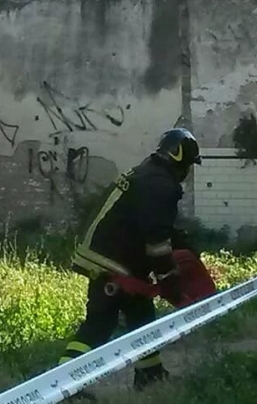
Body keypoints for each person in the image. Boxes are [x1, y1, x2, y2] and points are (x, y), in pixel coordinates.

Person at [58, 128, 203, 393]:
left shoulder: (149, 174)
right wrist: (169, 278)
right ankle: (64, 387)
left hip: (112, 255)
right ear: (180, 159)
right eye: (189, 165)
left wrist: (186, 247)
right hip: (112, 260)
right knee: (100, 323)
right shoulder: (161, 184)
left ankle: (150, 374)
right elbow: (156, 239)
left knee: (141, 314)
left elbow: (155, 226)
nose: (187, 172)